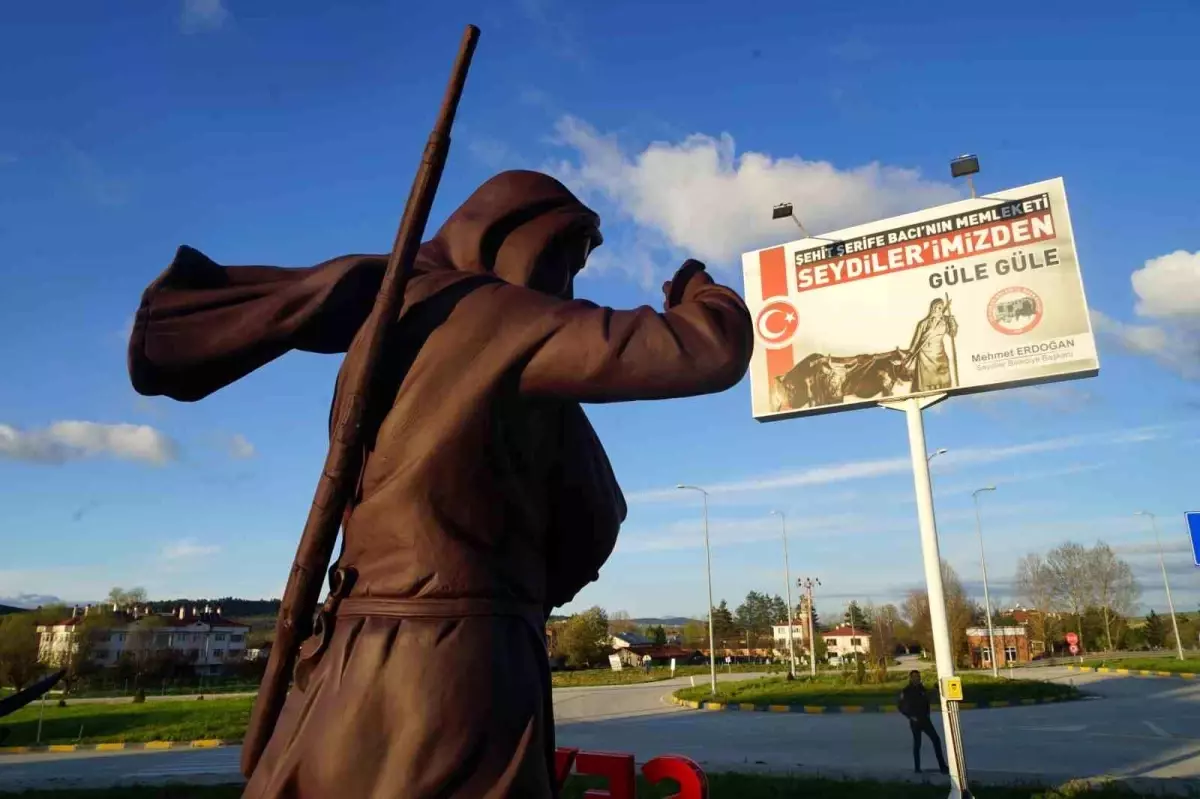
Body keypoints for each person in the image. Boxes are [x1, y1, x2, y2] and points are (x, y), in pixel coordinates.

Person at [126, 170, 754, 799]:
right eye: (568, 260)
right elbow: (707, 349)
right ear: (522, 243)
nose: (567, 285)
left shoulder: (389, 324)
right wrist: (701, 290)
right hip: (457, 663)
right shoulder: (498, 316)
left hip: (348, 651)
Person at [898, 669, 949, 774]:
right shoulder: (906, 691)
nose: (917, 678)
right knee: (917, 744)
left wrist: (936, 690)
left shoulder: (922, 689)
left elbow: (929, 698)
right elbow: (901, 706)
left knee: (936, 740)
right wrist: (910, 716)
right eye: (915, 677)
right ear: (911, 678)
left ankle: (943, 767)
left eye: (918, 676)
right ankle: (917, 768)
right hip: (915, 721)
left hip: (925, 720)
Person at [904, 297, 958, 392]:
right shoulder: (923, 323)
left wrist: (952, 322)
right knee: (926, 382)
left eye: (939, 308)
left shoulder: (946, 321)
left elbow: (953, 334)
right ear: (931, 308)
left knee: (942, 379)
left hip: (940, 355)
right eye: (935, 307)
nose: (936, 310)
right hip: (925, 356)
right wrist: (910, 354)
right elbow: (916, 341)